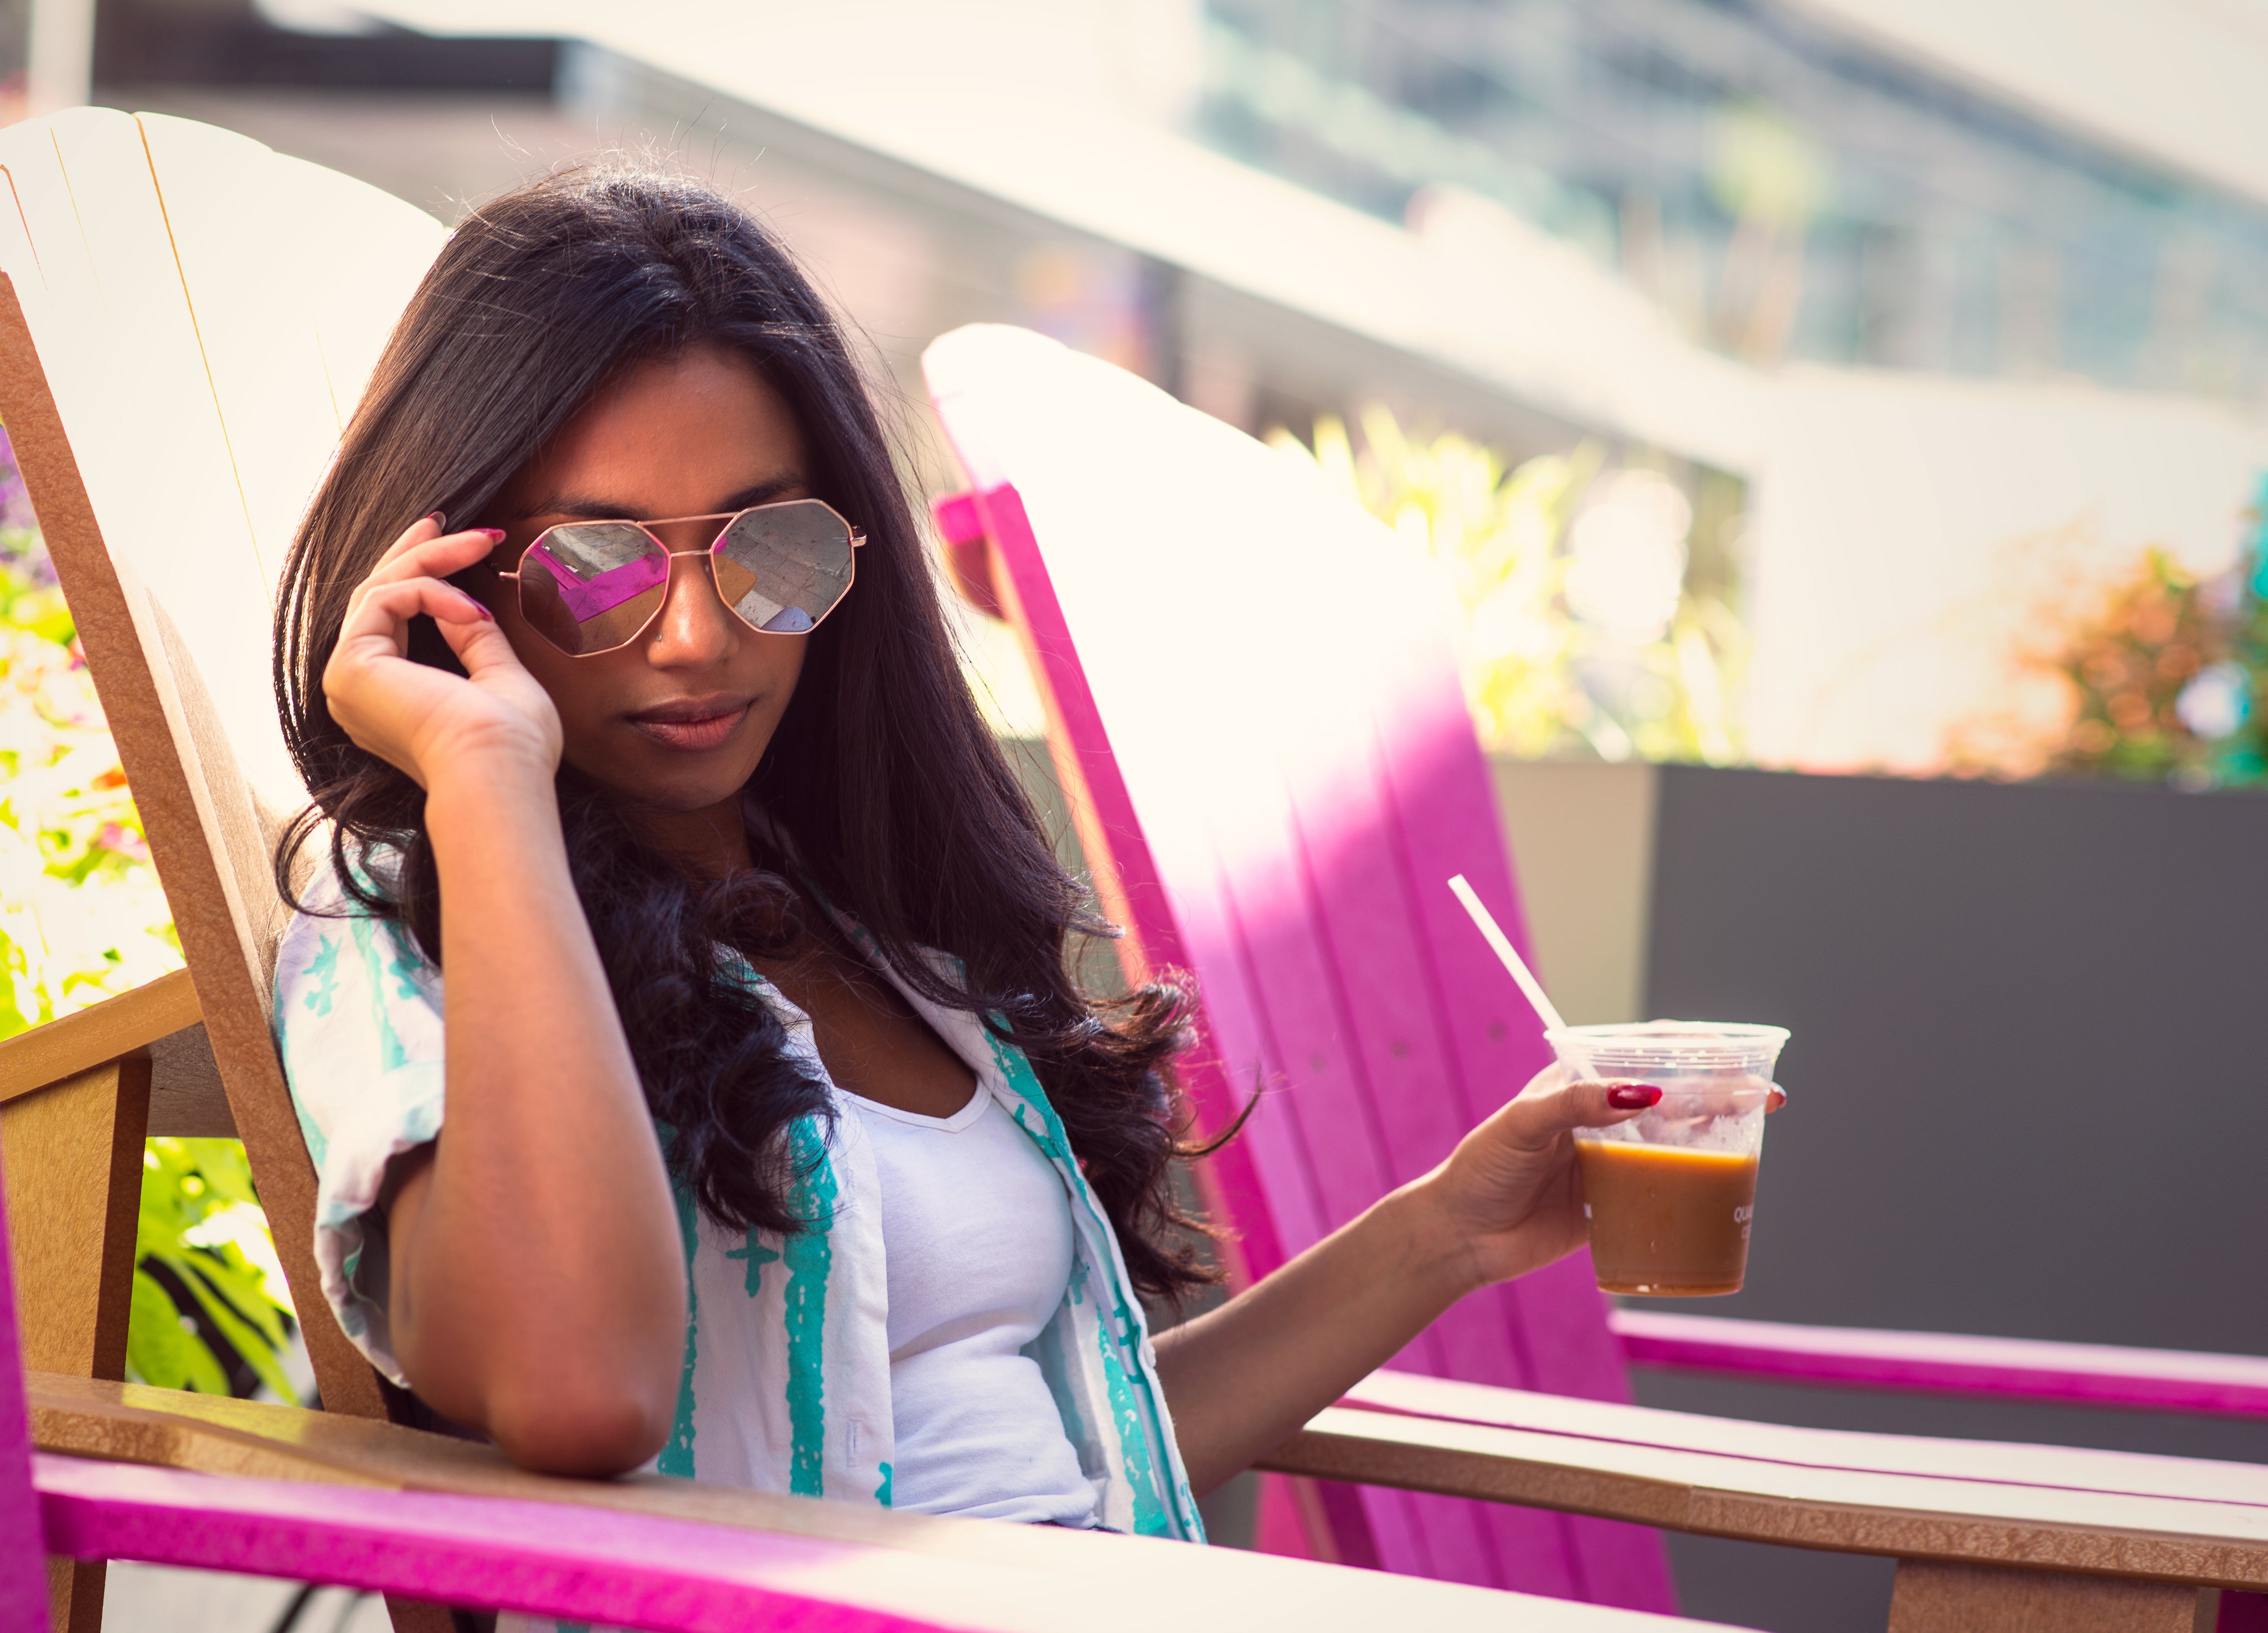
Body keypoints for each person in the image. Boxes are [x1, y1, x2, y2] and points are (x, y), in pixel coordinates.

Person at [270, 164, 1663, 1548]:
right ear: (453, 578)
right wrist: (488, 772)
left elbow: (1064, 1446)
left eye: (774, 545)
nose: (697, 636)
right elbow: (581, 1393)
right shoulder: (411, 916)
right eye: (596, 561)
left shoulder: (874, 931)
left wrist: (1446, 1237)